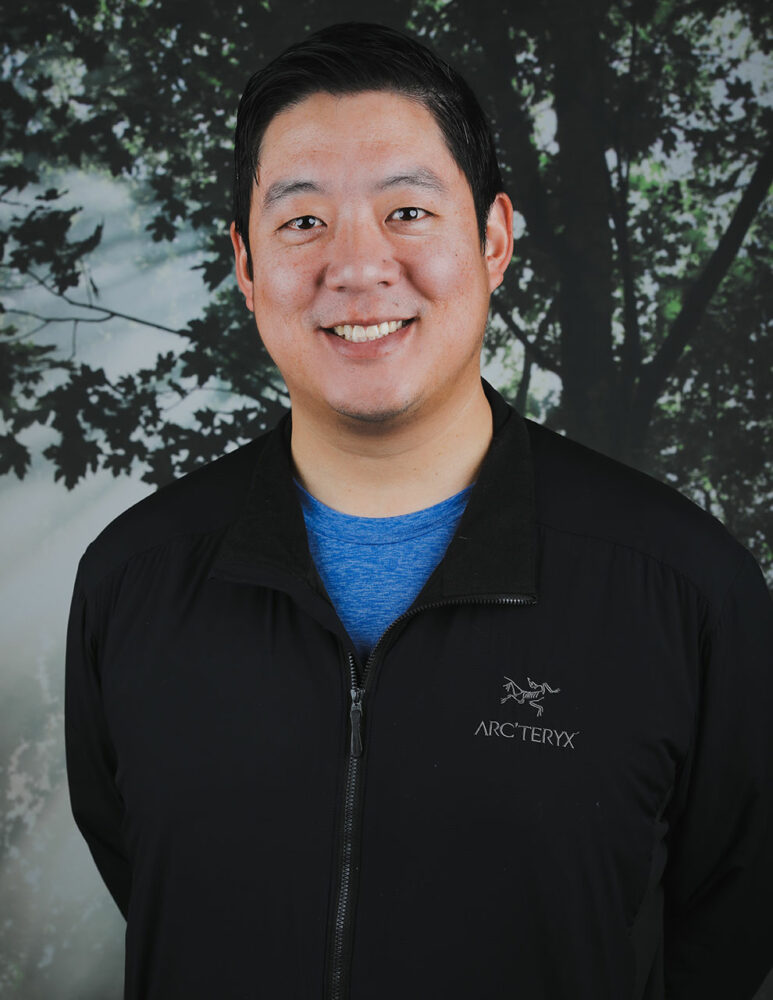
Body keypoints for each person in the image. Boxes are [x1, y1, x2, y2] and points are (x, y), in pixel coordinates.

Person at [65, 21, 773, 1000]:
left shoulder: (685, 589)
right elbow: (150, 882)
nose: (356, 268)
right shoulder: (132, 579)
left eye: (405, 211)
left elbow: (724, 934)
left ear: (492, 240)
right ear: (244, 266)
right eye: (302, 222)